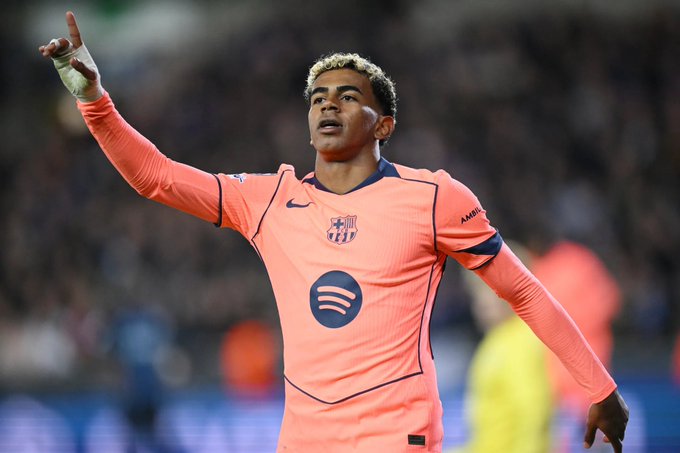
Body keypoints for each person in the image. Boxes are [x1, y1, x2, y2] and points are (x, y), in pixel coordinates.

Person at [39, 11, 629, 453]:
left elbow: (524, 291)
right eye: (318, 97)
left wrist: (599, 389)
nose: (328, 105)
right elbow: (156, 177)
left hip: (397, 437)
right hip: (305, 441)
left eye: (348, 97)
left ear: (384, 124)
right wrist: (95, 101)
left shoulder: (434, 199)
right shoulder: (269, 200)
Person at [453, 243, 553, 453]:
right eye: (476, 292)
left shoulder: (520, 342)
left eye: (485, 290)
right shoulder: (498, 339)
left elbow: (534, 414)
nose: (479, 302)